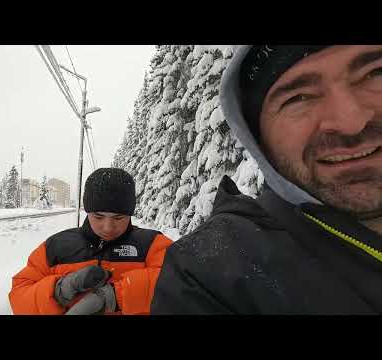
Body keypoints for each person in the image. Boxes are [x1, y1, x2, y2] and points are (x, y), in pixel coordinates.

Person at [151, 45, 382, 314]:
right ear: (259, 139)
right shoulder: (212, 274)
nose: (350, 121)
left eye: (375, 73)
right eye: (298, 98)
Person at [9, 168, 173, 315]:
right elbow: (19, 296)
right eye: (98, 217)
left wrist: (116, 296)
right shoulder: (55, 247)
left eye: (118, 217)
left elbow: (181, 284)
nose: (108, 227)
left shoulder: (152, 245)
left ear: (130, 214)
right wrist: (59, 291)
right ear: (87, 212)